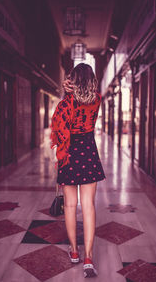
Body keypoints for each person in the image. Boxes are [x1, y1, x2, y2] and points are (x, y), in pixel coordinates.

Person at [50, 63, 105, 278]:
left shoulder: (66, 103)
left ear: (72, 81)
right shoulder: (97, 100)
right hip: (89, 153)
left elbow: (58, 127)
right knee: (89, 206)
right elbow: (86, 99)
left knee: (70, 206)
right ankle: (88, 257)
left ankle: (74, 252)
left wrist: (66, 92)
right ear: (91, 80)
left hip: (69, 155)